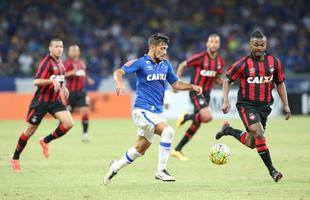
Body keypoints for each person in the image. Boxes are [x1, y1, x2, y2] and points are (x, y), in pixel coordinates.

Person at [103, 33, 202, 184]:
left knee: (140, 149)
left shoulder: (165, 65)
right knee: (168, 132)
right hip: (142, 110)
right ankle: (160, 171)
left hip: (157, 112)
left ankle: (115, 167)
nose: (165, 52)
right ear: (152, 47)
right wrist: (120, 83)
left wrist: (191, 87)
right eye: (162, 49)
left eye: (166, 49)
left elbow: (175, 84)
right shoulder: (141, 63)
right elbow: (118, 72)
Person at [215, 30, 291, 182]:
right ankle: (273, 171)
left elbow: (280, 83)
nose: (259, 48)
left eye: (262, 45)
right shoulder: (242, 64)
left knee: (252, 143)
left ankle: (228, 130)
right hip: (246, 104)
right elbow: (227, 81)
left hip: (264, 107)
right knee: (259, 133)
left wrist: (286, 105)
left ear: (266, 45)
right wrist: (225, 101)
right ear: (250, 45)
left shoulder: (274, 63)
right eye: (256, 45)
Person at [11, 39, 73, 171]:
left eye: (61, 46)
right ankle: (15, 157)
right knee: (30, 131)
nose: (59, 49)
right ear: (50, 49)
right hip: (41, 102)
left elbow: (60, 79)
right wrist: (50, 81)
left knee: (68, 123)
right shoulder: (46, 62)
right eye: (56, 46)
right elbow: (36, 81)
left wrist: (64, 88)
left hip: (55, 101)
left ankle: (45, 140)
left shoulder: (61, 64)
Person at [171, 34, 225, 161]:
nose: (213, 44)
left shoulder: (220, 62)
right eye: (211, 41)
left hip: (207, 94)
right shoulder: (200, 58)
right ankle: (186, 116)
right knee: (207, 117)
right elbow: (183, 65)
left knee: (197, 123)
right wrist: (176, 82)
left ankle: (177, 150)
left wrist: (226, 82)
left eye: (216, 42)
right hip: (196, 91)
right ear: (207, 43)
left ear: (219, 44)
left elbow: (216, 79)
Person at [64, 45, 94, 142]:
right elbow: (62, 75)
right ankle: (59, 130)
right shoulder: (67, 63)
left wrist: (88, 79)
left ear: (78, 52)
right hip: (71, 93)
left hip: (81, 92)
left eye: (76, 50)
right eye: (72, 50)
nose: (74, 52)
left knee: (85, 111)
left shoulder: (81, 63)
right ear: (69, 52)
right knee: (66, 115)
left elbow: (82, 73)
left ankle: (85, 134)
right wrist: (72, 72)